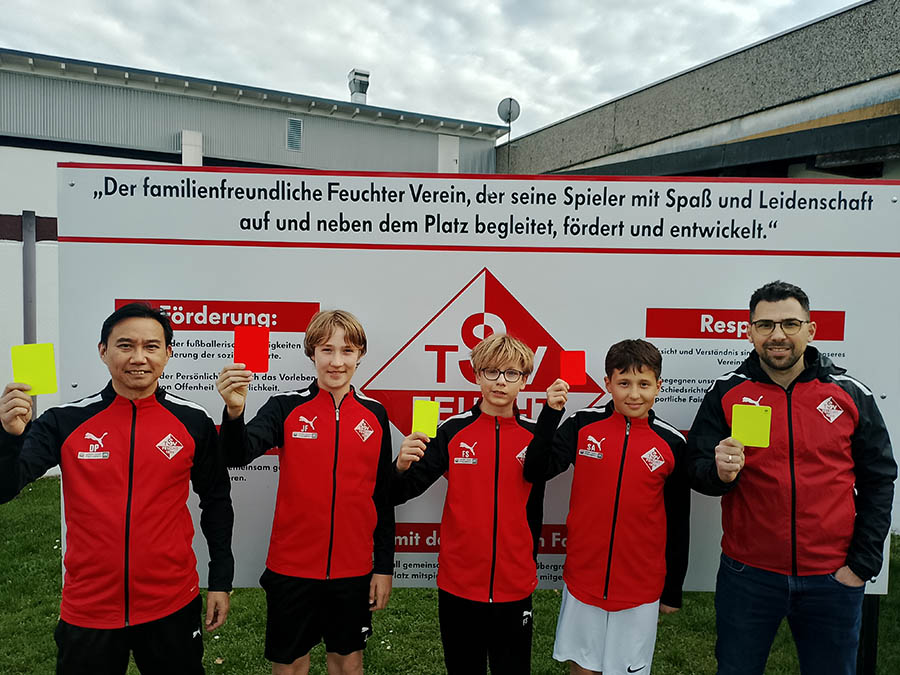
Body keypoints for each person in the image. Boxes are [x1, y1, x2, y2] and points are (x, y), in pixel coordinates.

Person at [0, 302, 234, 675]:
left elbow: (217, 501)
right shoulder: (64, 421)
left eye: (151, 346)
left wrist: (221, 578)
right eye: (125, 345)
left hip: (171, 603)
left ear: (168, 353)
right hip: (89, 607)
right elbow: (6, 487)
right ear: (103, 351)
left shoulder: (193, 421)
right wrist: (9, 438)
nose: (138, 357)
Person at [688, 280, 897, 675]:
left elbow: (880, 479)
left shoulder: (850, 394)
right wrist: (719, 473)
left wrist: (861, 565)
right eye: (765, 325)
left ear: (810, 330)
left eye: (790, 324)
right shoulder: (727, 392)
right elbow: (697, 468)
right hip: (748, 575)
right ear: (750, 331)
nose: (778, 335)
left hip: (832, 578)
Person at [216, 309, 393, 675]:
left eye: (347, 350)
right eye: (327, 350)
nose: (337, 361)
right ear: (312, 353)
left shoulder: (375, 415)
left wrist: (383, 567)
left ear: (360, 355)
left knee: (348, 664)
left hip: (353, 569)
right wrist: (234, 411)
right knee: (291, 665)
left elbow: (382, 496)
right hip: (292, 568)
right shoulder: (285, 407)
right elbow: (237, 454)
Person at [525, 339, 690, 675]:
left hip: (640, 585)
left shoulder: (672, 443)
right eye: (624, 383)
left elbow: (679, 521)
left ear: (659, 386)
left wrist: (672, 588)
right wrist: (551, 413)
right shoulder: (582, 424)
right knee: (583, 667)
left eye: (644, 384)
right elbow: (536, 470)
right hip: (583, 577)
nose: (634, 394)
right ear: (608, 384)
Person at [391, 333, 545, 675]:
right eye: (491, 372)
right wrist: (399, 467)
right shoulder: (451, 431)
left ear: (524, 380)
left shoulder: (538, 437)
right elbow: (401, 491)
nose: (500, 381)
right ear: (476, 375)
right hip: (458, 585)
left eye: (511, 373)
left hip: (515, 583)